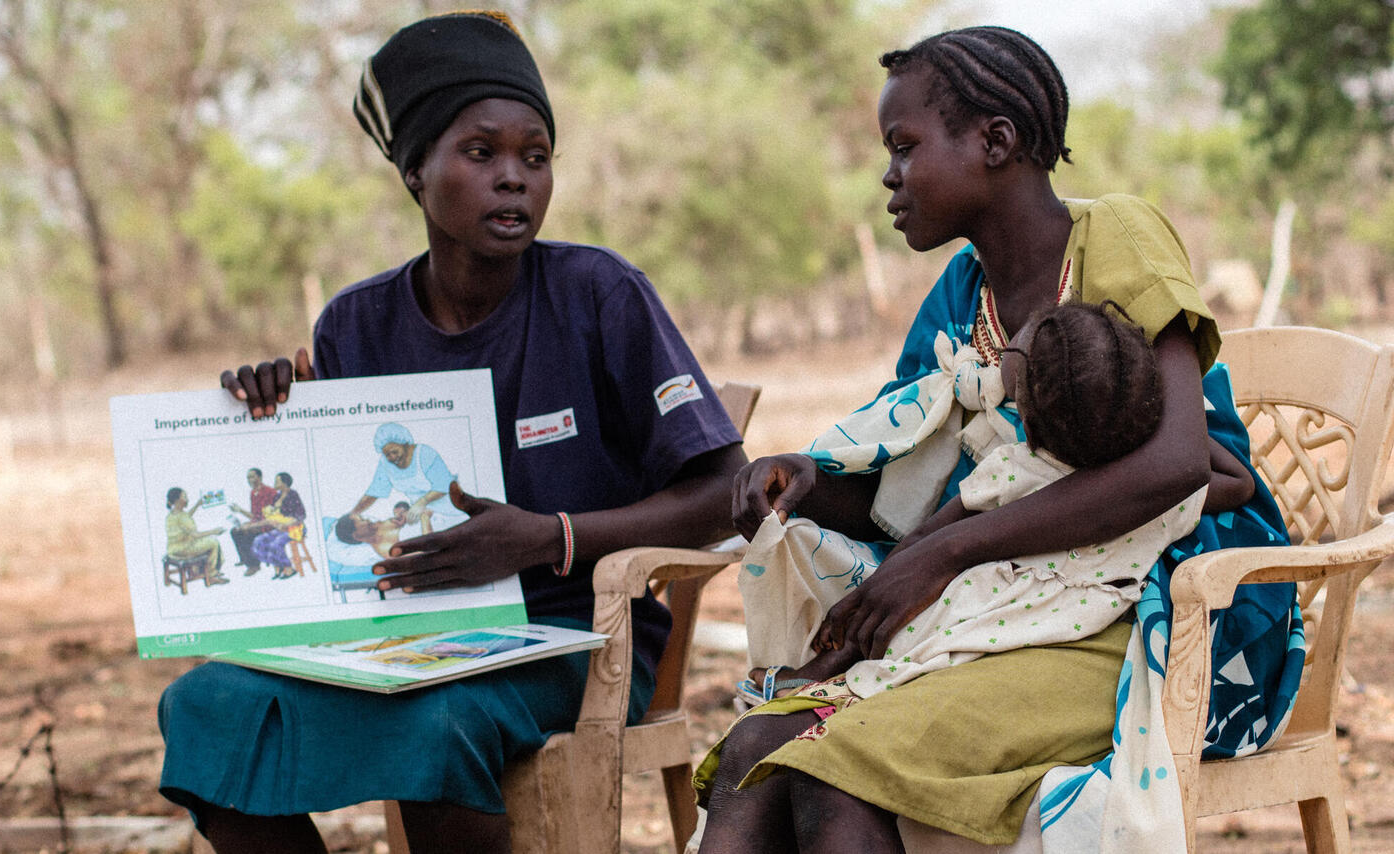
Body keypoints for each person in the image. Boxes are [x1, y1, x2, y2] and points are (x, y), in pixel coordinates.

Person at [698, 26, 1302, 852]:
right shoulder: (961, 295)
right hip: (1003, 600)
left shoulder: (1113, 237)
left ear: (996, 141)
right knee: (751, 749)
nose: (889, 174)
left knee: (829, 771)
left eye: (905, 146)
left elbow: (1177, 463)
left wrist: (944, 556)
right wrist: (808, 481)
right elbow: (907, 495)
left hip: (1163, 610)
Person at [155, 12, 748, 854]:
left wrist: (550, 539)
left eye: (535, 157)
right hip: (400, 641)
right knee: (209, 707)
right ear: (414, 172)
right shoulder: (354, 325)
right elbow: (330, 526)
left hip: (575, 638)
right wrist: (271, 423)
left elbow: (726, 492)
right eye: (482, 153)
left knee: (438, 722)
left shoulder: (598, 294)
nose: (515, 179)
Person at [729, 301, 1257, 701]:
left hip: (982, 615)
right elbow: (1239, 481)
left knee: (901, 625)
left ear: (1024, 427)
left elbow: (926, 539)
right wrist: (1156, 410)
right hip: (1077, 632)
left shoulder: (1011, 468)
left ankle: (812, 679)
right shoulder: (1153, 500)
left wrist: (892, 576)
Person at [350, 423, 461, 532]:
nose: (392, 457)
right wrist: (352, 515)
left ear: (405, 444)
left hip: (453, 509)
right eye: (387, 454)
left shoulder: (424, 454)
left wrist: (422, 502)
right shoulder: (385, 464)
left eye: (395, 451)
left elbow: (445, 485)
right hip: (424, 514)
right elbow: (374, 492)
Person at [163, 487, 226, 592]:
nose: (187, 499)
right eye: (185, 497)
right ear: (178, 500)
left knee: (208, 541)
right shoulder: (181, 517)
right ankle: (211, 574)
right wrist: (214, 531)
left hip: (173, 549)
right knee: (214, 542)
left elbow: (187, 517)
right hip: (183, 549)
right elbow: (196, 535)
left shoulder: (172, 514)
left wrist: (197, 505)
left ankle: (199, 570)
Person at [229, 468, 282, 576]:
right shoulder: (253, 493)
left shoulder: (270, 492)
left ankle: (254, 565)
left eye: (252, 477)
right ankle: (245, 558)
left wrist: (250, 525)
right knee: (235, 531)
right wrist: (240, 511)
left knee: (247, 533)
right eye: (248, 478)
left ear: (260, 477)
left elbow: (271, 517)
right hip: (258, 524)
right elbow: (254, 516)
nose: (250, 480)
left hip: (270, 526)